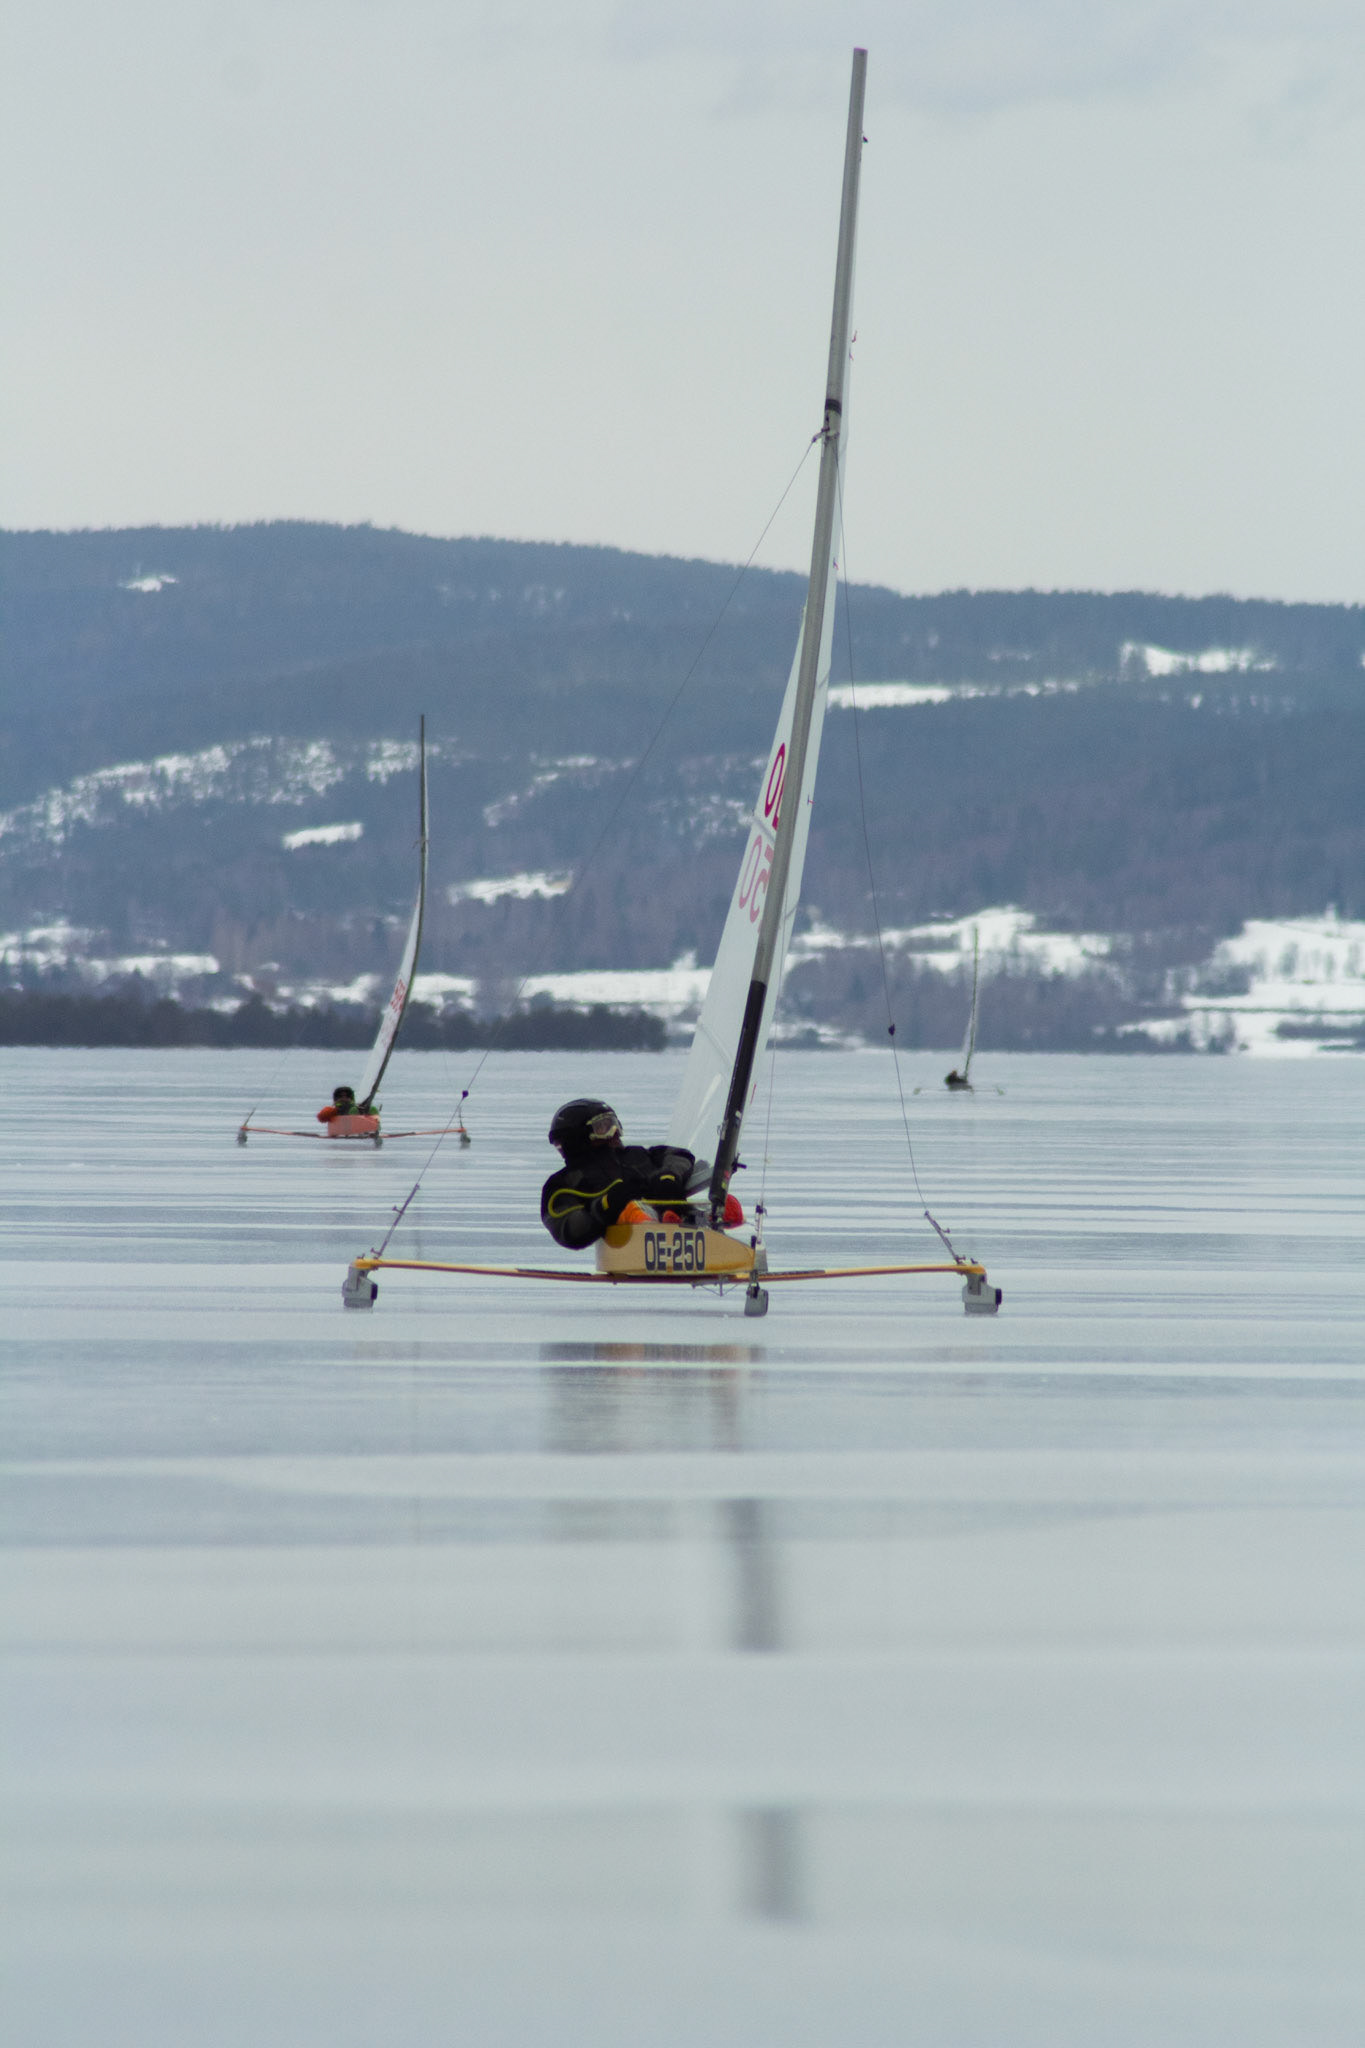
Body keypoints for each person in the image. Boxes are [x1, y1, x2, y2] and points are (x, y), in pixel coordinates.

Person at [540, 1099, 700, 1249]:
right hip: (628, 1240)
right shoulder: (564, 1183)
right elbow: (568, 1229)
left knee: (677, 1199)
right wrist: (605, 1205)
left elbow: (679, 1156)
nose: (615, 1132)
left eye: (615, 1124)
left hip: (675, 1225)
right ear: (578, 1137)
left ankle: (691, 1220)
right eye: (603, 1127)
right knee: (631, 1210)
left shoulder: (637, 1155)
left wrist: (669, 1177)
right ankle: (649, 1224)